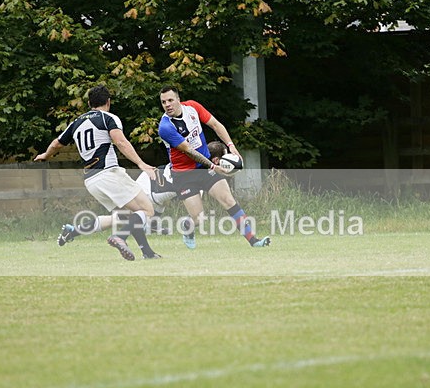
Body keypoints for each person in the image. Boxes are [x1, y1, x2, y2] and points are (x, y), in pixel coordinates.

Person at [34, 84, 161, 261]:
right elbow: (121, 142)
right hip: (108, 173)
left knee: (122, 217)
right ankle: (121, 238)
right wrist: (141, 163)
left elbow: (56, 143)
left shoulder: (76, 123)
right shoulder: (108, 118)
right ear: (108, 102)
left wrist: (46, 154)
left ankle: (75, 231)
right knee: (147, 210)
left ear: (88, 103)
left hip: (91, 181)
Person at [157, 85, 270, 249]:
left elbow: (216, 125)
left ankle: (254, 240)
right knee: (199, 219)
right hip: (183, 174)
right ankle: (188, 229)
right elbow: (189, 151)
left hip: (204, 168)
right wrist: (213, 165)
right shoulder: (165, 127)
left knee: (228, 200)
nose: (167, 104)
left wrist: (231, 146)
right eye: (163, 102)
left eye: (170, 100)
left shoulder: (193, 108)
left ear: (178, 99)